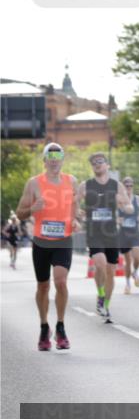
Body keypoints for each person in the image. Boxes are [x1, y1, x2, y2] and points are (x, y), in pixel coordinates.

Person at [14, 143, 79, 350]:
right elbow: (20, 213)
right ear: (44, 160)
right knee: (43, 286)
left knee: (60, 281)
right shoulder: (34, 184)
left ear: (62, 159)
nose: (54, 160)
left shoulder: (72, 181)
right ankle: (44, 327)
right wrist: (33, 208)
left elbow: (74, 206)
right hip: (41, 241)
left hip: (63, 240)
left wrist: (75, 219)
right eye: (49, 156)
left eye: (57, 155)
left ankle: (60, 327)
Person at [77, 152, 133, 323]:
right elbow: (74, 202)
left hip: (111, 233)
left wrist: (125, 206)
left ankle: (105, 305)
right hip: (94, 233)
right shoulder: (85, 185)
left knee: (110, 271)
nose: (97, 164)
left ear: (107, 165)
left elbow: (128, 207)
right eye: (94, 162)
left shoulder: (117, 186)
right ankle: (100, 295)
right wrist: (77, 213)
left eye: (100, 161)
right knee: (100, 265)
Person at [118, 177, 139, 294]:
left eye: (130, 185)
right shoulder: (119, 199)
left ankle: (135, 272)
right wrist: (118, 219)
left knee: (137, 258)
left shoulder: (138, 199)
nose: (128, 187)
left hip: (134, 232)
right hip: (123, 233)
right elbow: (115, 214)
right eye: (126, 185)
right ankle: (128, 284)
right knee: (128, 261)